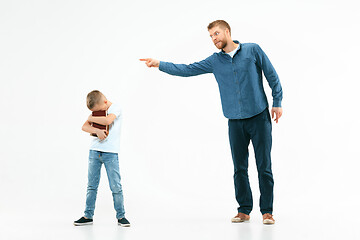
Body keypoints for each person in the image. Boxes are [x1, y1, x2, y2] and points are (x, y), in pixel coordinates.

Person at [140, 20, 282, 224]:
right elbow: (187, 69)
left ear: (227, 31)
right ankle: (244, 210)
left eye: (216, 34)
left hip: (259, 117)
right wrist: (159, 64)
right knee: (239, 168)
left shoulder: (252, 50)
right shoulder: (215, 61)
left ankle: (267, 211)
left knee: (264, 166)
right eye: (211, 36)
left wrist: (277, 101)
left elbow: (272, 75)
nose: (214, 39)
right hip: (234, 121)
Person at [74, 90, 130, 227]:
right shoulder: (98, 109)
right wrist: (97, 131)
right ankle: (88, 216)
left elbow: (108, 120)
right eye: (95, 112)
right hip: (94, 152)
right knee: (92, 186)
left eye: (100, 110)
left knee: (116, 186)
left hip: (110, 153)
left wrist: (91, 118)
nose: (98, 113)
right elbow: (84, 127)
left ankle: (121, 216)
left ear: (105, 102)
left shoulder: (116, 108)